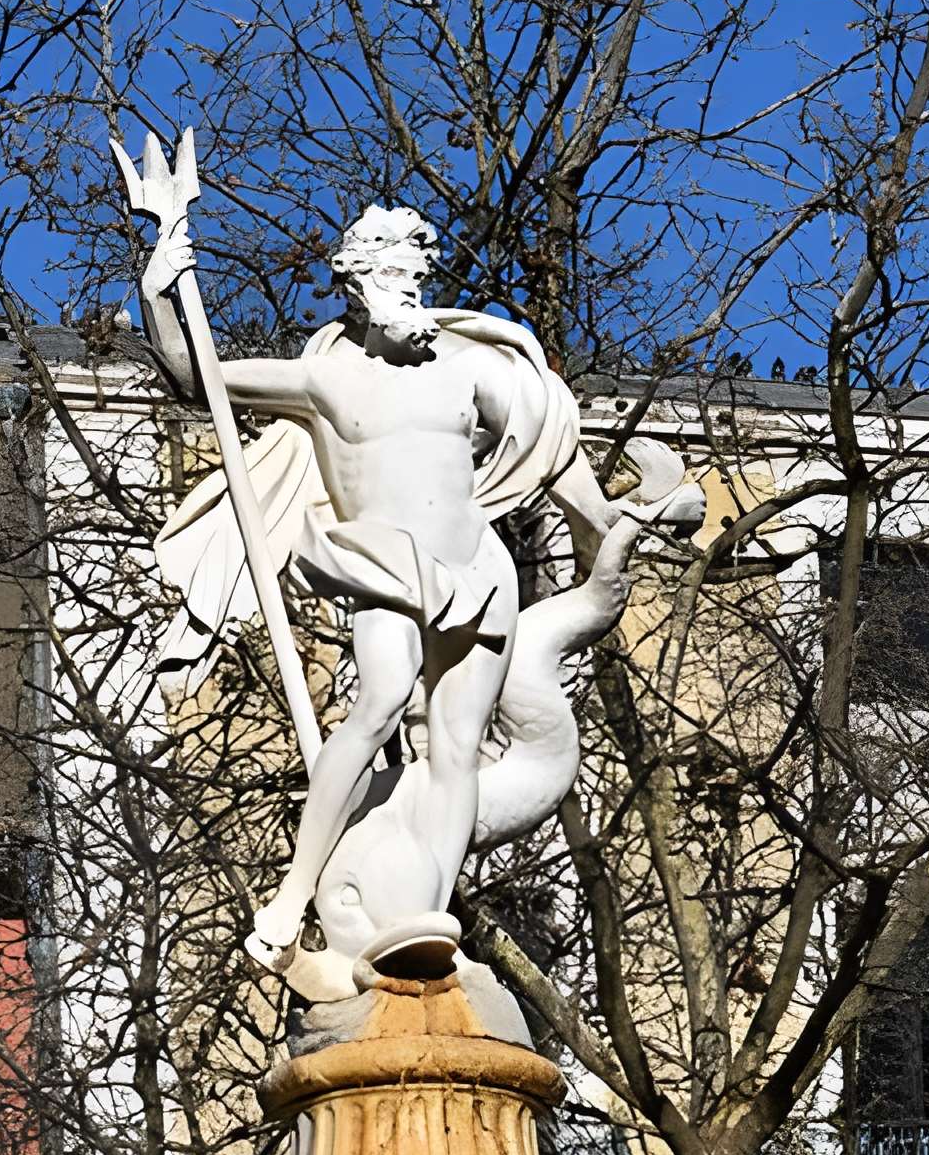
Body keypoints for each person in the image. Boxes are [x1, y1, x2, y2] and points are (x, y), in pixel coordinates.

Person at [125, 157, 620, 968]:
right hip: (383, 562)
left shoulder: (468, 371)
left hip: (477, 569)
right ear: (356, 283)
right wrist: (159, 291)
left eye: (415, 274)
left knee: (458, 749)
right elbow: (195, 379)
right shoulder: (324, 381)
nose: (407, 288)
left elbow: (548, 437)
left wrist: (600, 517)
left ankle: (426, 910)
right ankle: (294, 894)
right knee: (381, 704)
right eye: (391, 272)